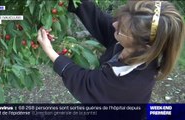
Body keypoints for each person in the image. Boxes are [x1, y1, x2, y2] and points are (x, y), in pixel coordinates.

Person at [37, 0, 185, 103]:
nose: (114, 25)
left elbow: (86, 84)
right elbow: (98, 20)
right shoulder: (137, 43)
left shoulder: (130, 81)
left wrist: (50, 51)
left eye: (121, 29)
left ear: (143, 45)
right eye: (119, 20)